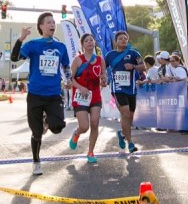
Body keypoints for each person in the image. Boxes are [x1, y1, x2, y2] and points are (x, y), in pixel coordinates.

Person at [11, 12, 71, 175]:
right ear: (41, 26)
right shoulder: (33, 45)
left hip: (53, 94)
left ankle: (48, 120)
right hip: (36, 94)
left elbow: (65, 66)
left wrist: (69, 79)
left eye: (54, 22)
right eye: (49, 22)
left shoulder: (61, 47)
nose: (52, 25)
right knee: (37, 133)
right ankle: (36, 160)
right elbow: (14, 58)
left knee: (57, 127)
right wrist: (21, 39)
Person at [67, 33, 107, 163]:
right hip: (80, 96)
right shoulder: (78, 60)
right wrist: (80, 87)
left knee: (95, 123)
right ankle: (77, 133)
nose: (90, 42)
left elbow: (103, 76)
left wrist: (104, 81)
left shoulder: (101, 60)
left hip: (95, 95)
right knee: (85, 126)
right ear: (82, 44)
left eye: (91, 40)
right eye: (86, 41)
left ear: (94, 43)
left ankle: (90, 152)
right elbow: (70, 78)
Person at [105, 30, 146, 154]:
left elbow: (143, 67)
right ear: (116, 41)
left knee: (130, 118)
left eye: (125, 38)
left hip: (131, 89)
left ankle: (122, 133)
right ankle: (131, 144)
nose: (123, 40)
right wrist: (103, 78)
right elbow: (102, 68)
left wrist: (133, 67)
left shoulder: (134, 54)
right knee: (126, 113)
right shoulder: (110, 55)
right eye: (121, 38)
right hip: (118, 89)